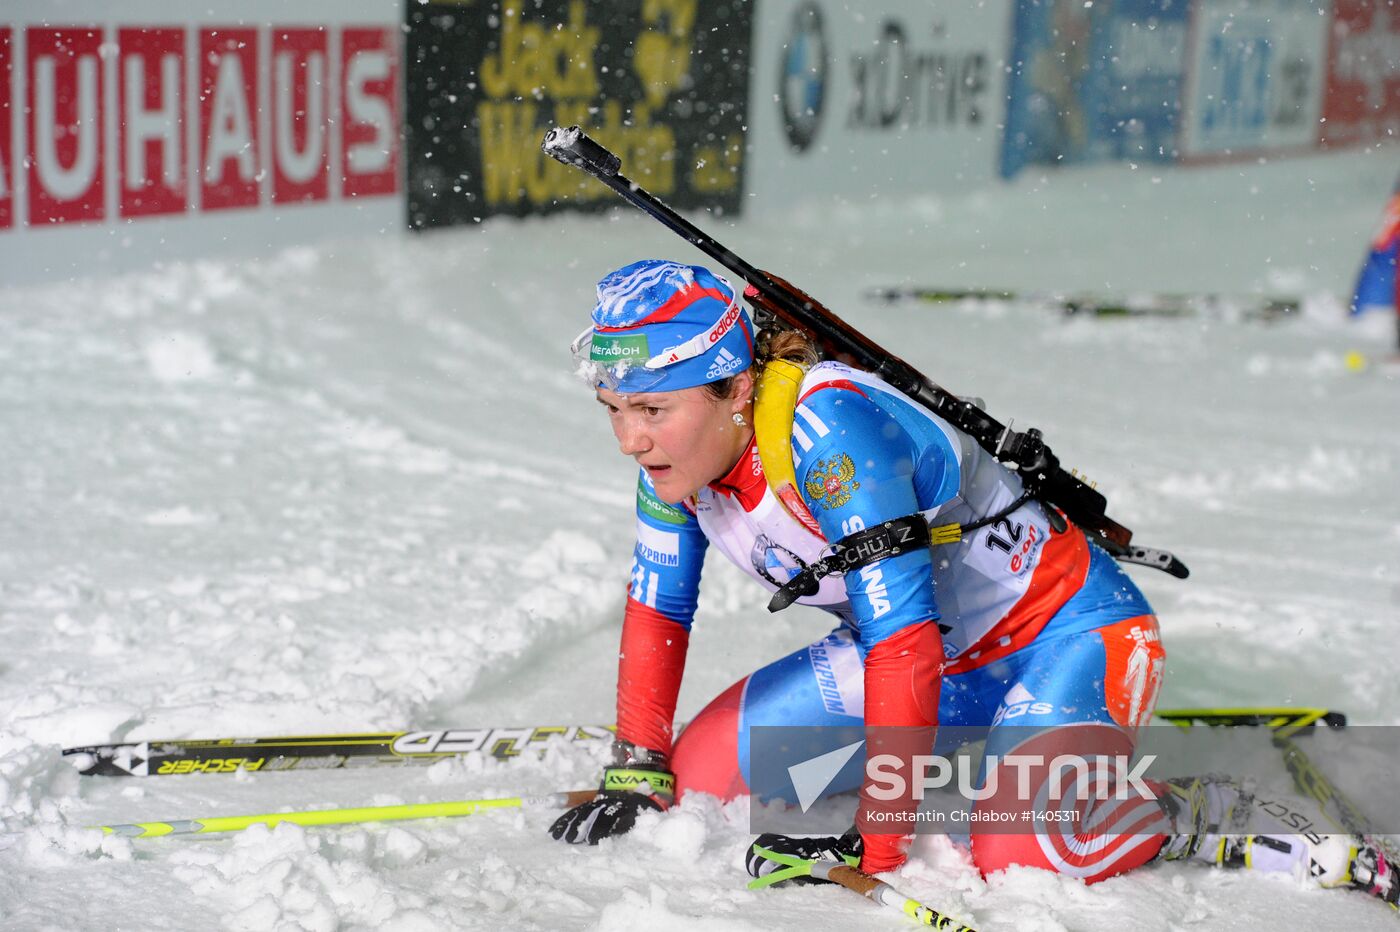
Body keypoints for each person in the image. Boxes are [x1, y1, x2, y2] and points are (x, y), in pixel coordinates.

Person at [547, 258, 1398, 905]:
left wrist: (876, 848)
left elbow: (902, 643)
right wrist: (637, 764)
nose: (631, 439)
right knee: (699, 778)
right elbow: (660, 602)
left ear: (736, 386)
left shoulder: (830, 433)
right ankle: (978, 754)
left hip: (1066, 639)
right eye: (614, 411)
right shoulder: (674, 466)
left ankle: (1173, 806)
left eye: (653, 410)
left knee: (1016, 851)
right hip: (939, 668)